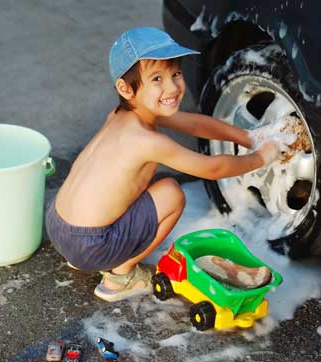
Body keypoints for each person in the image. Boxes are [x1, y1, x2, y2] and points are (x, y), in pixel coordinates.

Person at [45, 27, 283, 302]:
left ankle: (81, 257)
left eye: (176, 74)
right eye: (157, 78)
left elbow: (194, 123)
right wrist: (261, 157)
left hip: (59, 225)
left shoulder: (123, 114)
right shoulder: (147, 140)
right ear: (126, 87)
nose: (172, 87)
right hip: (90, 244)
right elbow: (212, 169)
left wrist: (249, 137)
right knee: (170, 192)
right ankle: (120, 277)